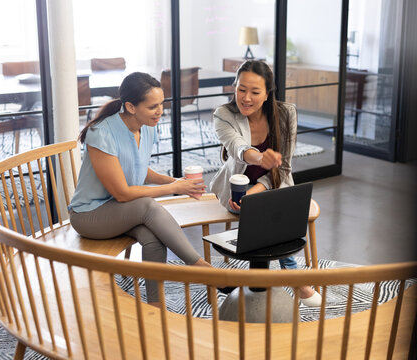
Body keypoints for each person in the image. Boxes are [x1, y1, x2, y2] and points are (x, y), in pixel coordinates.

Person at [69, 72, 210, 307]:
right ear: (130, 107)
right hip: (89, 215)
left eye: (161, 104)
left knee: (153, 237)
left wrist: (174, 182)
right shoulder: (101, 132)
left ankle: (156, 306)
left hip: (120, 211)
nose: (160, 111)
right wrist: (174, 188)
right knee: (147, 206)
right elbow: (123, 193)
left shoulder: (147, 127)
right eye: (153, 106)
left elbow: (139, 170)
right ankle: (201, 270)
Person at [209, 60, 322, 307]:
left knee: (270, 205)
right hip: (236, 193)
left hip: (273, 185)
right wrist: (260, 158)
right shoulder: (224, 115)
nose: (246, 98)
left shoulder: (285, 113)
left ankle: (271, 282)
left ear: (268, 93)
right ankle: (297, 281)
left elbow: (284, 168)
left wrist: (259, 189)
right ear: (234, 87)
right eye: (241, 89)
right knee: (271, 211)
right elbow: (238, 148)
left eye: (255, 92)